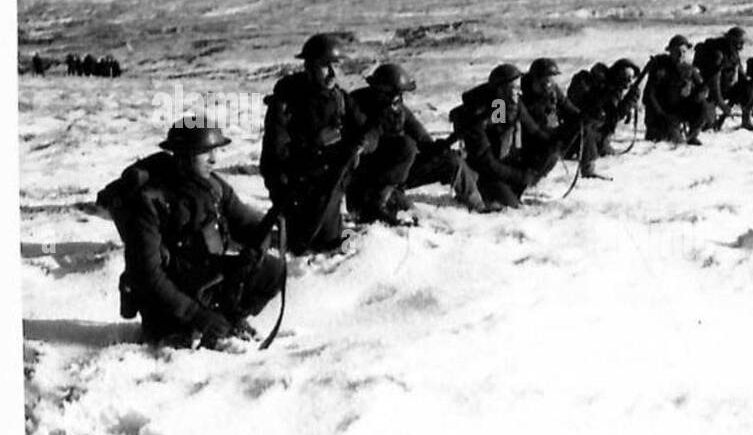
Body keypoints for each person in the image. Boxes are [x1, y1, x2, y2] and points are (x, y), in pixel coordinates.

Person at [97, 124, 284, 349]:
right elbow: (148, 275)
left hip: (204, 278)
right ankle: (191, 327)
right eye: (205, 152)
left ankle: (229, 320)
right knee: (177, 345)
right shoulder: (150, 201)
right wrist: (196, 315)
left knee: (272, 271)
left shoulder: (214, 187)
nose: (214, 159)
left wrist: (262, 239)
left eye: (216, 151)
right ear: (183, 157)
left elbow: (246, 224)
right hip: (165, 295)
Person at [260, 33, 373, 253]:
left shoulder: (340, 98)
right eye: (325, 66)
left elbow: (369, 130)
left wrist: (363, 144)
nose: (332, 73)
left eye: (335, 67)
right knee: (311, 244)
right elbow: (277, 155)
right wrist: (315, 142)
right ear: (309, 66)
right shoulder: (286, 102)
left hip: (331, 180)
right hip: (296, 184)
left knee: (337, 240)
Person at [347, 62, 493, 220]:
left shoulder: (398, 109)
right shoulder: (356, 105)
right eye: (392, 93)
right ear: (379, 90)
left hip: (399, 176)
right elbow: (364, 142)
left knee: (451, 160)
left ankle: (479, 207)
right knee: (409, 213)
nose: (396, 99)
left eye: (399, 94)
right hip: (369, 182)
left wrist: (437, 148)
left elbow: (422, 138)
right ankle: (381, 202)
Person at [449, 63, 561, 208]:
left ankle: (512, 191)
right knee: (511, 210)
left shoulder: (504, 105)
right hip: (484, 176)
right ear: (501, 90)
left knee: (550, 152)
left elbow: (534, 131)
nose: (519, 93)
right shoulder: (479, 114)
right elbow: (488, 162)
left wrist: (553, 143)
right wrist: (521, 176)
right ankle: (491, 194)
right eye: (514, 89)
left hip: (502, 166)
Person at [522, 57, 602, 179]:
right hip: (530, 141)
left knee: (583, 127)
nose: (548, 84)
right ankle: (529, 179)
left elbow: (568, 108)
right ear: (535, 79)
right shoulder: (520, 97)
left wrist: (583, 116)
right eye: (545, 80)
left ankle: (588, 170)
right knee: (550, 151)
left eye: (551, 79)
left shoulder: (553, 91)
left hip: (551, 133)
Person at [644, 34, 708, 145]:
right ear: (670, 52)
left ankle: (692, 135)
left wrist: (697, 96)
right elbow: (649, 95)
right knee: (670, 141)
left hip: (679, 110)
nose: (680, 55)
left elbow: (703, 87)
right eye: (677, 51)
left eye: (683, 52)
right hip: (662, 113)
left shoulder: (689, 69)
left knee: (703, 106)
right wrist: (661, 115)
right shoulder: (660, 69)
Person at [693, 27, 753, 132]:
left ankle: (746, 121)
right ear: (731, 41)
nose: (741, 47)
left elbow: (741, 74)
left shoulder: (733, 52)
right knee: (708, 126)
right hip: (709, 93)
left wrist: (749, 89)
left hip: (725, 88)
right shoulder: (717, 55)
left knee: (750, 87)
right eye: (739, 43)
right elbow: (714, 83)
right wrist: (722, 104)